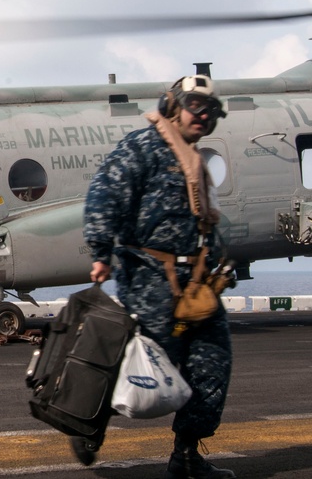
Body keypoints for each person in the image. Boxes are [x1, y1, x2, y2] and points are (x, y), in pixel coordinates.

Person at [83, 75, 234, 479]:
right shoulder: (142, 147)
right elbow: (103, 194)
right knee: (137, 369)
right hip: (151, 280)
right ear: (171, 105)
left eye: (210, 110)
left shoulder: (193, 159)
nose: (203, 115)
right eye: (194, 105)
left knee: (211, 367)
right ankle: (84, 420)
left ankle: (186, 457)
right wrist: (101, 253)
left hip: (197, 285)